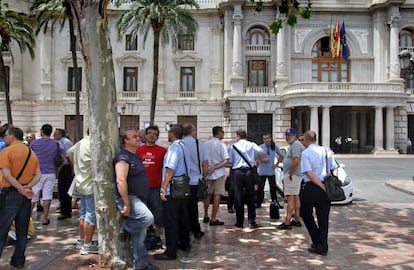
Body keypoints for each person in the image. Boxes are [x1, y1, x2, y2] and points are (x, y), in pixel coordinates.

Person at [114, 130, 158, 270]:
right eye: (134, 137)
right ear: (126, 141)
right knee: (148, 218)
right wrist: (126, 203)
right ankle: (126, 228)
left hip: (139, 197)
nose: (138, 138)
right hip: (131, 198)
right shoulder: (123, 157)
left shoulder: (135, 156)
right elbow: (120, 180)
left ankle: (141, 264)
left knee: (141, 235)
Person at [0, 126, 41, 269]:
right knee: (22, 230)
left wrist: (20, 189)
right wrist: (27, 187)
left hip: (10, 194)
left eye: (5, 135)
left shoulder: (6, 152)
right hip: (25, 195)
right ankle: (18, 260)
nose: (4, 138)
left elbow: (6, 174)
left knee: (2, 228)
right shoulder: (31, 153)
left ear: (12, 136)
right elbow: (38, 175)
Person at [154, 124, 191, 261]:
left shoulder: (174, 148)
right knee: (182, 217)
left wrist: (163, 188)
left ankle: (171, 251)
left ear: (172, 133)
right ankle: (185, 243)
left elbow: (170, 169)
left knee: (171, 220)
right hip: (183, 188)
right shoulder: (184, 147)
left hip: (173, 189)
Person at [300, 130, 338, 256]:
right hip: (325, 187)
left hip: (312, 186)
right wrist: (331, 182)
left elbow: (309, 173)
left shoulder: (306, 153)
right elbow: (335, 168)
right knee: (323, 218)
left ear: (305, 140)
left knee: (305, 213)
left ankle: (318, 241)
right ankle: (322, 245)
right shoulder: (326, 151)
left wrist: (321, 185)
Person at [67, 129, 98, 255]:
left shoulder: (80, 143)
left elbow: (69, 153)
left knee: (84, 213)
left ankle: (82, 240)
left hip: (81, 183)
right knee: (91, 215)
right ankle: (87, 244)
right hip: (90, 184)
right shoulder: (95, 144)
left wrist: (77, 167)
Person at [136, 125, 167, 249]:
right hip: (141, 188)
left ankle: (158, 237)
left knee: (158, 213)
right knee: (142, 214)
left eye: (155, 133)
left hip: (156, 188)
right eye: (150, 133)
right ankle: (142, 238)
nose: (152, 135)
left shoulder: (163, 151)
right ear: (145, 135)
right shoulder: (138, 150)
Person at [227, 129, 265, 229]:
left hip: (237, 172)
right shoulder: (252, 144)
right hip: (249, 171)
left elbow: (230, 161)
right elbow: (262, 152)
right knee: (251, 196)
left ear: (238, 136)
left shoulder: (233, 146)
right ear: (245, 136)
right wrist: (256, 159)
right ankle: (252, 221)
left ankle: (239, 222)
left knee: (238, 196)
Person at [30, 124, 65, 225]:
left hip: (37, 173)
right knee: (47, 195)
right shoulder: (57, 144)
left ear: (41, 131)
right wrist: (57, 171)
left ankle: (28, 218)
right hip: (51, 173)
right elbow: (63, 158)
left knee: (33, 196)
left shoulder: (34, 143)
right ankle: (45, 218)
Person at [181, 123, 207, 237]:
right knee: (193, 206)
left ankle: (185, 230)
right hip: (196, 180)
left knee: (183, 207)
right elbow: (205, 163)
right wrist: (204, 176)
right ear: (192, 131)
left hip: (182, 181)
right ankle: (196, 229)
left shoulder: (180, 144)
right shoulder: (200, 144)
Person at [277, 128, 305, 230]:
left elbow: (296, 161)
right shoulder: (293, 145)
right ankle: (296, 219)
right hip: (294, 176)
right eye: (286, 135)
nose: (287, 137)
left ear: (295, 135)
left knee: (290, 199)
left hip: (293, 176)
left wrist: (289, 174)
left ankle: (287, 221)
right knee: (295, 197)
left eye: (289, 135)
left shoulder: (296, 145)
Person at [203, 126, 229, 226]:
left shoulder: (206, 144)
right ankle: (213, 218)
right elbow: (226, 160)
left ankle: (205, 215)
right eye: (222, 132)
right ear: (219, 133)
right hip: (219, 173)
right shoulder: (221, 145)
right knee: (217, 195)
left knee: (207, 195)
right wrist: (215, 167)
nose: (223, 134)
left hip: (207, 173)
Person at [256, 133, 280, 208]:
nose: (266, 140)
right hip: (262, 171)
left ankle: (275, 202)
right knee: (260, 188)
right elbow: (256, 157)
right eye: (264, 138)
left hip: (271, 171)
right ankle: (259, 202)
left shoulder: (274, 147)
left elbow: (281, 155)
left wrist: (276, 164)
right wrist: (262, 159)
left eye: (267, 138)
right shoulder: (260, 147)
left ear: (270, 138)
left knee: (273, 188)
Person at [54, 128, 74, 219]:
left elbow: (69, 157)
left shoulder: (66, 143)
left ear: (60, 134)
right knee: (61, 189)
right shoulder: (59, 142)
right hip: (62, 168)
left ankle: (67, 211)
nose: (54, 136)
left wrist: (72, 170)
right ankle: (63, 208)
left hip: (66, 168)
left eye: (56, 134)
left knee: (65, 189)